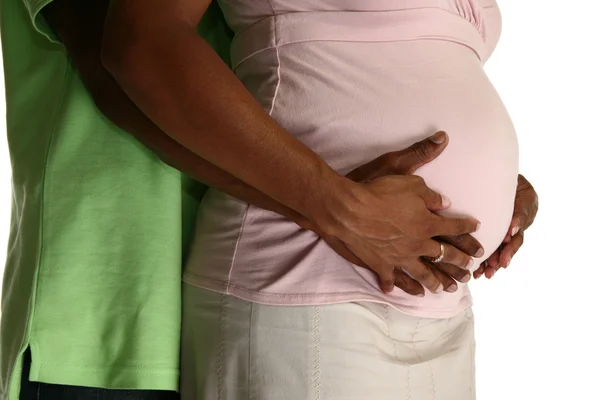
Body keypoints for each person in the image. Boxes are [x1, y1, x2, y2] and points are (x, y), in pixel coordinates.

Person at [0, 1, 506, 400]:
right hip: (110, 313)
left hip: (249, 276)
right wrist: (336, 205)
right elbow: (115, 64)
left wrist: (486, 177)